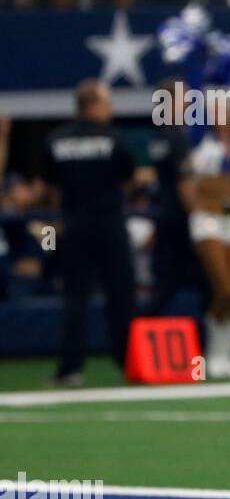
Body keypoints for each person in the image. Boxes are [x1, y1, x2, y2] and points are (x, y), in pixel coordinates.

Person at [43, 79, 137, 386]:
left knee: (75, 299)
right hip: (110, 224)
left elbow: (50, 187)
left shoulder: (56, 140)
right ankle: (129, 364)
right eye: (107, 102)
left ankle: (70, 368)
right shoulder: (113, 137)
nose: (111, 108)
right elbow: (129, 177)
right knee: (120, 297)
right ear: (93, 105)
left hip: (73, 226)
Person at [181, 100, 230, 378]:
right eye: (218, 113)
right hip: (209, 219)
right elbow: (190, 180)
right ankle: (214, 355)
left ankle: (229, 352)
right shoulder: (201, 145)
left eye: (229, 112)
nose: (224, 117)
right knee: (223, 288)